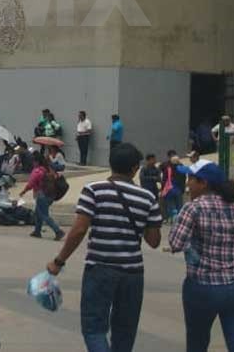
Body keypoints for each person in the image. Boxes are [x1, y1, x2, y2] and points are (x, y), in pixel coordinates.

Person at [45, 143, 162, 352]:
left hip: (100, 268)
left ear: (111, 164)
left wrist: (59, 261)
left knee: (94, 329)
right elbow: (154, 241)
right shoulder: (147, 197)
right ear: (135, 168)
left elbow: (79, 230)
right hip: (133, 273)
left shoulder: (94, 190)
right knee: (125, 332)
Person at [168, 161, 234, 352]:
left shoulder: (193, 208)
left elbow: (176, 243)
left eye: (191, 179)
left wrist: (191, 248)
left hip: (202, 287)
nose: (187, 183)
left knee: (197, 344)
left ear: (203, 183)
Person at [19, 152, 64, 240]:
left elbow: (30, 184)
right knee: (38, 213)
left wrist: (23, 191)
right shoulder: (48, 169)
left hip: (41, 195)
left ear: (36, 162)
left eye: (33, 161)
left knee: (44, 215)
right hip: (51, 195)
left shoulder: (37, 171)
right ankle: (37, 231)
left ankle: (58, 231)